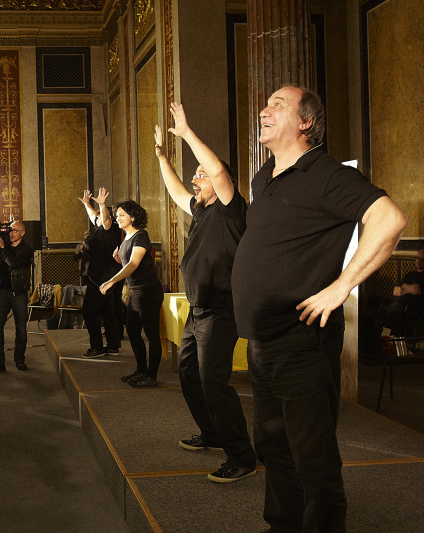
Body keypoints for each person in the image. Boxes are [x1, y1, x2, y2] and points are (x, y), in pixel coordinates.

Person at [231, 86, 407, 533]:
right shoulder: (263, 177)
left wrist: (340, 287)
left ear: (306, 122)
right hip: (262, 339)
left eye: (278, 105)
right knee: (273, 445)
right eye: (265, 104)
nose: (264, 110)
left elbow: (390, 219)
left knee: (313, 456)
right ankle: (283, 525)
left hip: (302, 340)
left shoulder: (326, 173)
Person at [154, 102, 256, 484]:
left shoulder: (232, 209)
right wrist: (162, 158)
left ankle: (242, 455)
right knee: (188, 373)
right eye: (195, 175)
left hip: (220, 310)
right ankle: (212, 432)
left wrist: (186, 134)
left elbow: (217, 171)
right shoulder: (199, 211)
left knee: (214, 381)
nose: (195, 179)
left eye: (201, 175)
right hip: (196, 310)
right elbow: (176, 190)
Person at [100, 201, 163, 387]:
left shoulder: (141, 236)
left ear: (133, 217)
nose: (117, 218)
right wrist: (118, 255)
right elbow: (125, 259)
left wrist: (112, 280)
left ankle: (151, 375)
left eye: (122, 215)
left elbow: (134, 264)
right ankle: (141, 370)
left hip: (148, 291)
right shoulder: (127, 237)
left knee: (151, 335)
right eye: (116, 215)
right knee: (133, 331)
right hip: (135, 291)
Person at [77, 188, 122, 358]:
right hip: (101, 276)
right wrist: (87, 204)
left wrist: (102, 205)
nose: (97, 217)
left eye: (100, 215)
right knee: (107, 311)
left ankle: (96, 347)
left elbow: (105, 219)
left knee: (89, 312)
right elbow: (94, 216)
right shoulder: (99, 228)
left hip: (100, 277)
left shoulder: (110, 229)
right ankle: (113, 345)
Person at [0, 220, 34, 373]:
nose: (11, 233)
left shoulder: (27, 250)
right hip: (2, 293)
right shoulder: (4, 248)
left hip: (19, 293)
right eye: (10, 230)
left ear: (22, 233)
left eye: (14, 230)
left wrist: (2, 248)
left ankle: (19, 360)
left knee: (21, 329)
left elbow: (14, 264)